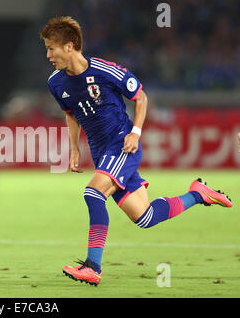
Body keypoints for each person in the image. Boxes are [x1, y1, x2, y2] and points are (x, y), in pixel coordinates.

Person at [40, 16, 232, 286]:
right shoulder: (55, 83)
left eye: (52, 48)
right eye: (46, 48)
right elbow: (71, 114)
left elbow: (140, 97)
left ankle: (92, 266)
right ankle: (198, 195)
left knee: (93, 193)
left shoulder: (105, 71)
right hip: (101, 153)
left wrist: (136, 132)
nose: (48, 55)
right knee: (145, 217)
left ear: (69, 46)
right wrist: (73, 148)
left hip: (121, 144)